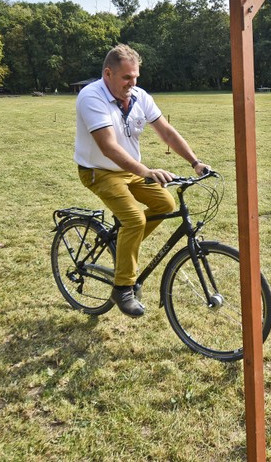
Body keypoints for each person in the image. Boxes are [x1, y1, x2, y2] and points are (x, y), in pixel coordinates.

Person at [74, 44, 210, 317]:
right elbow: (108, 147)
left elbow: (166, 132)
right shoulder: (91, 97)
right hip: (98, 171)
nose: (132, 83)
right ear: (108, 73)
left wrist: (195, 162)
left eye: (135, 77)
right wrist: (146, 171)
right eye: (126, 78)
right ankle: (123, 287)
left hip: (130, 170)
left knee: (165, 203)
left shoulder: (140, 96)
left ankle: (125, 247)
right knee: (135, 220)